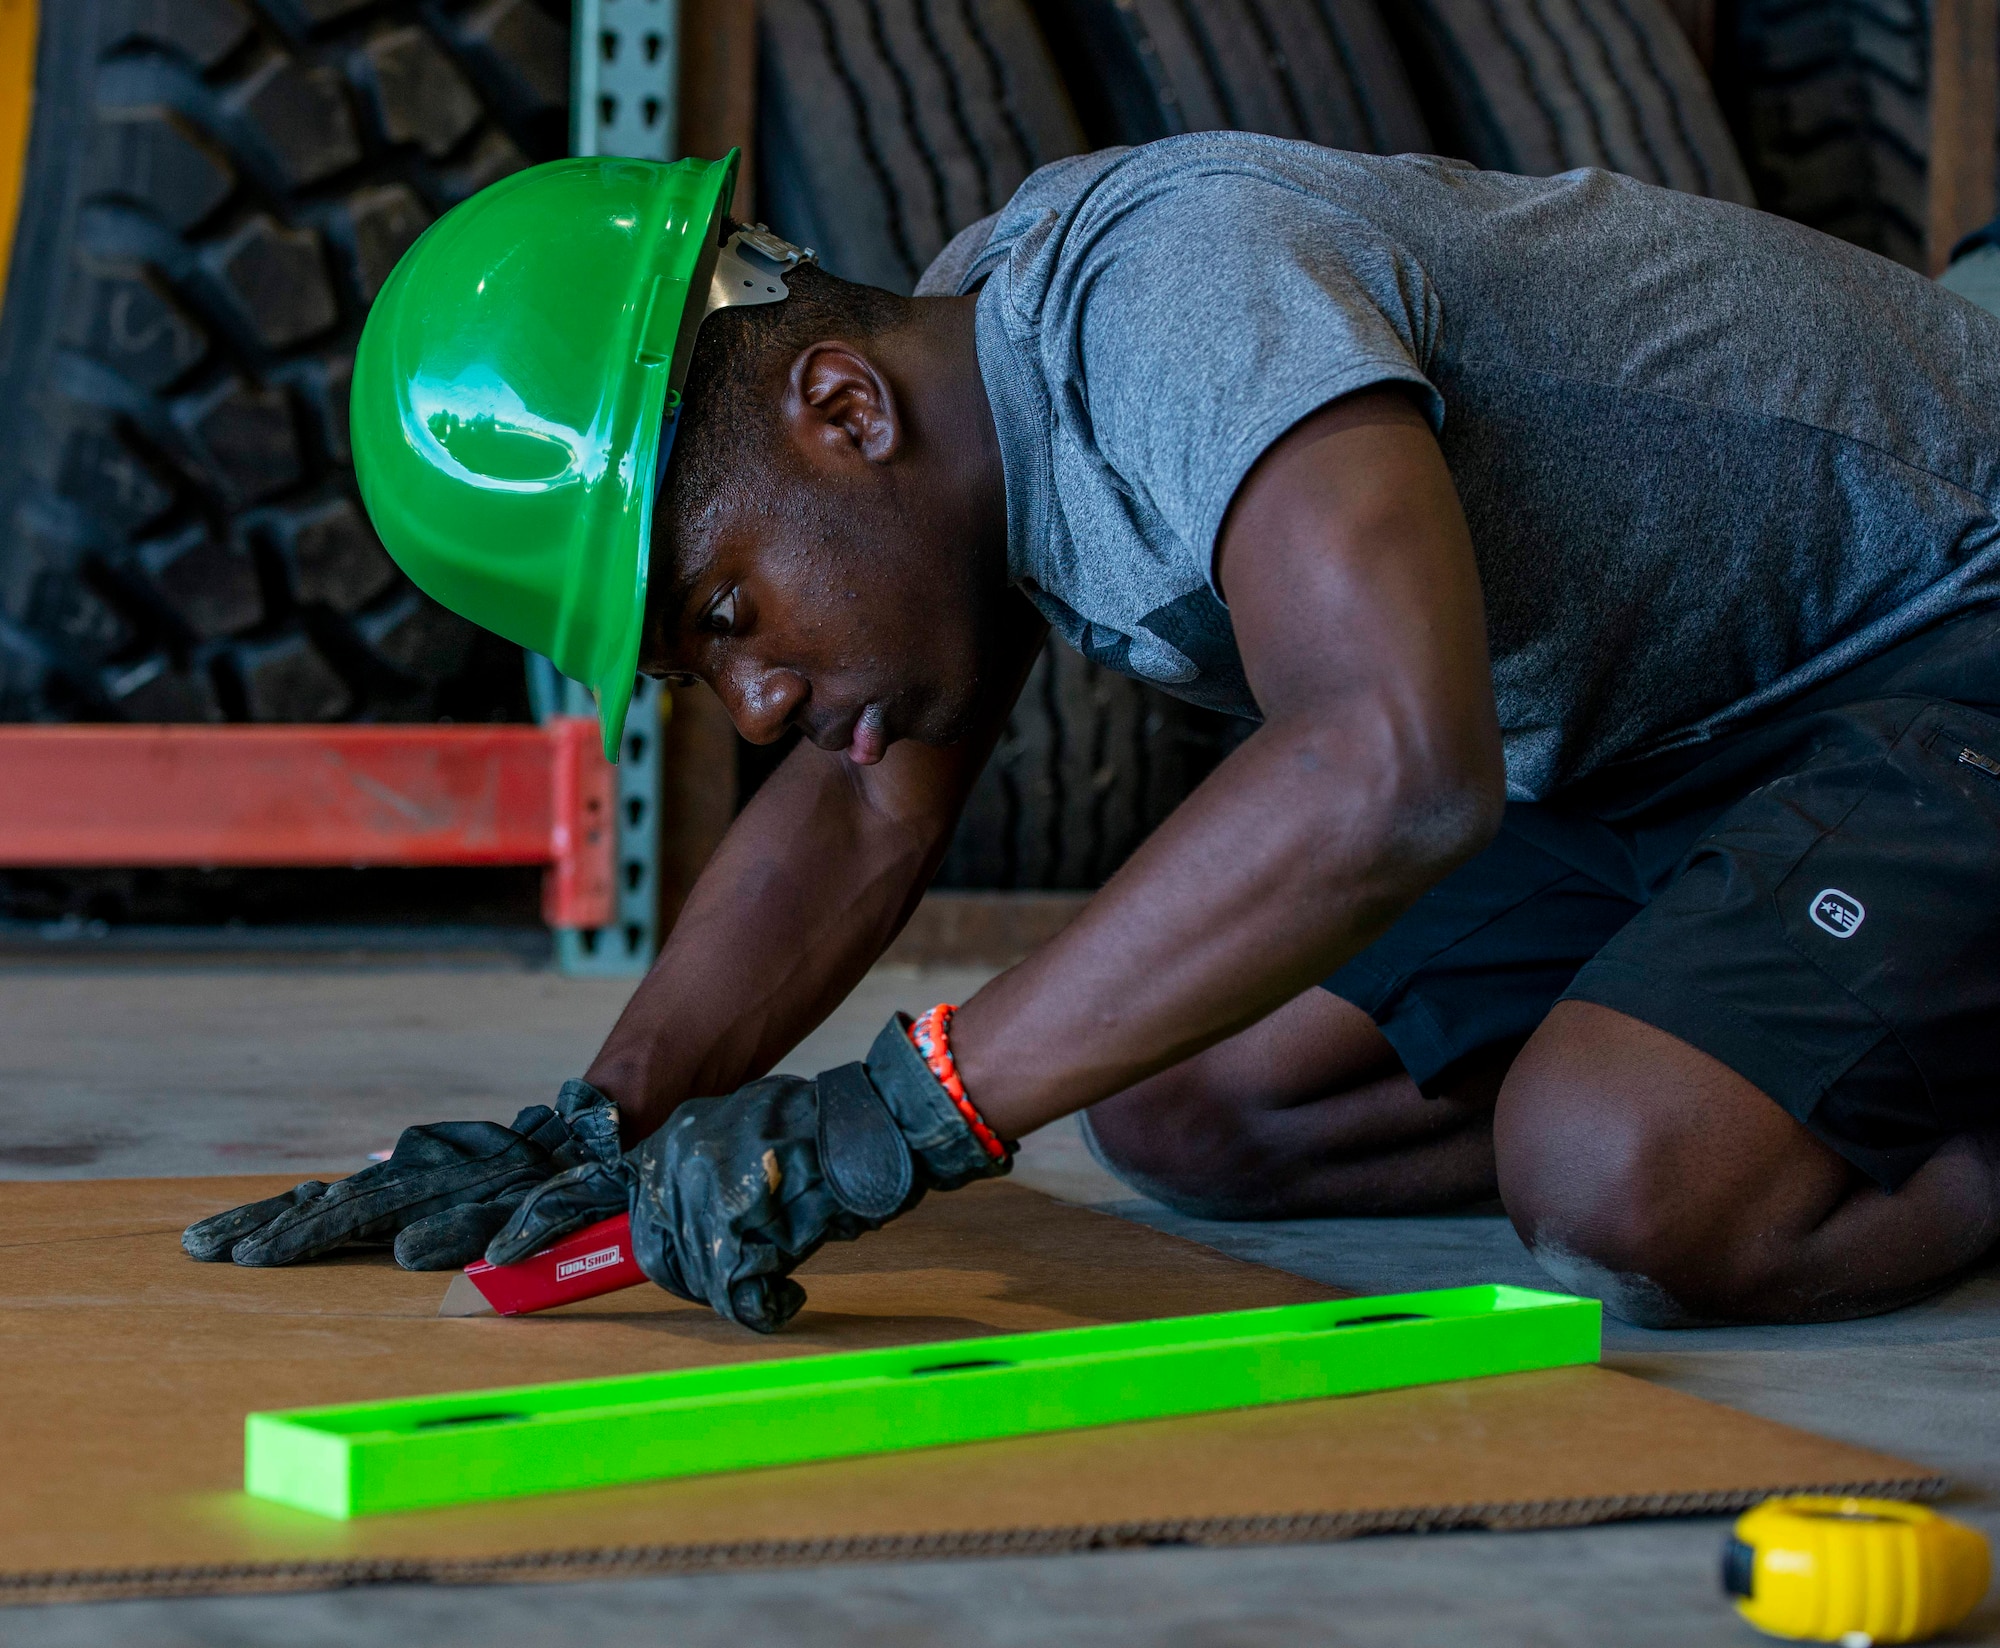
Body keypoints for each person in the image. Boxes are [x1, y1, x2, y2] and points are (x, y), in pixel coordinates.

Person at [184, 136, 2000, 1331]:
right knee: (1190, 1102)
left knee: (1617, 1179)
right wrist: (600, 1112)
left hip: (1944, 648)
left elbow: (1390, 767)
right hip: (1680, 744)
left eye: (724, 614)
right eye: (691, 671)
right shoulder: (964, 390)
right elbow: (859, 809)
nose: (747, 700)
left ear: (839, 408)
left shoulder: (1174, 299)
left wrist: (905, 1111)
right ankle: (1799, 1028)